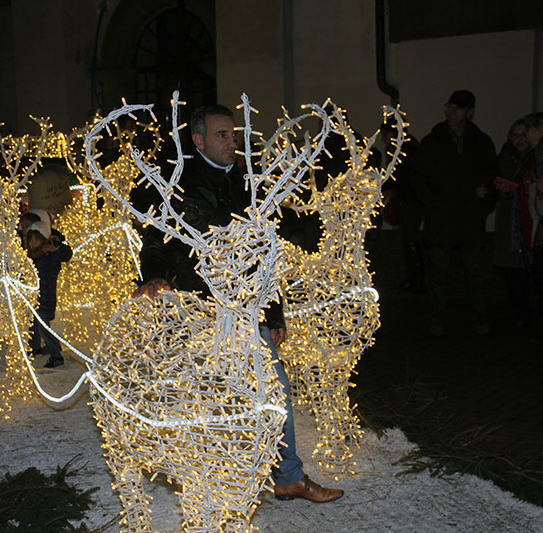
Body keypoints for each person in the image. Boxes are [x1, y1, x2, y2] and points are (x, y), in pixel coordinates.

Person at [135, 104, 343, 503]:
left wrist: (275, 310)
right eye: (222, 135)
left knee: (274, 389)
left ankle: (287, 476)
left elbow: (265, 251)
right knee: (210, 396)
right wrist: (153, 278)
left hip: (250, 307)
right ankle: (215, 481)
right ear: (198, 141)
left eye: (234, 134)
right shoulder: (178, 183)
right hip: (201, 309)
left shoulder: (251, 182)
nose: (233, 142)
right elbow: (156, 240)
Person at [413, 90, 498, 337]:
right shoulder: (433, 141)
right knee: (439, 274)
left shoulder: (481, 142)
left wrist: (485, 195)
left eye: (457, 109)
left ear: (469, 112)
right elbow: (418, 176)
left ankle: (479, 318)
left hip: (470, 220)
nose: (451, 113)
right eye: (449, 107)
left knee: (474, 273)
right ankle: (438, 319)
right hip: (441, 220)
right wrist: (432, 203)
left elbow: (492, 174)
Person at [514, 111, 543, 343]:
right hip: (540, 223)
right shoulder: (536, 152)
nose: (526, 136)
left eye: (528, 130)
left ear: (540, 130)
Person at [20, 209, 72, 368]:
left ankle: (56, 356)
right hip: (35, 297)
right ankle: (34, 348)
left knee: (44, 328)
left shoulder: (49, 255)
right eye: (31, 240)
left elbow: (65, 254)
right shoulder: (33, 256)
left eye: (37, 239)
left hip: (45, 297)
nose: (33, 243)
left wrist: (55, 245)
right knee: (33, 323)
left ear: (43, 239)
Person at [492, 119, 532, 326]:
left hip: (529, 219)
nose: (519, 140)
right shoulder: (505, 157)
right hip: (509, 219)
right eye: (515, 135)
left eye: (523, 135)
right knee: (512, 270)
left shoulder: (535, 159)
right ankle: (518, 312)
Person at [379, 121, 424, 292]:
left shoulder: (400, 148)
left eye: (385, 133)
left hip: (410, 198)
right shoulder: (407, 145)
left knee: (409, 239)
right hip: (411, 197)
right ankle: (415, 280)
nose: (383, 138)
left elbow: (398, 175)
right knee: (409, 239)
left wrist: (380, 186)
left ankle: (416, 281)